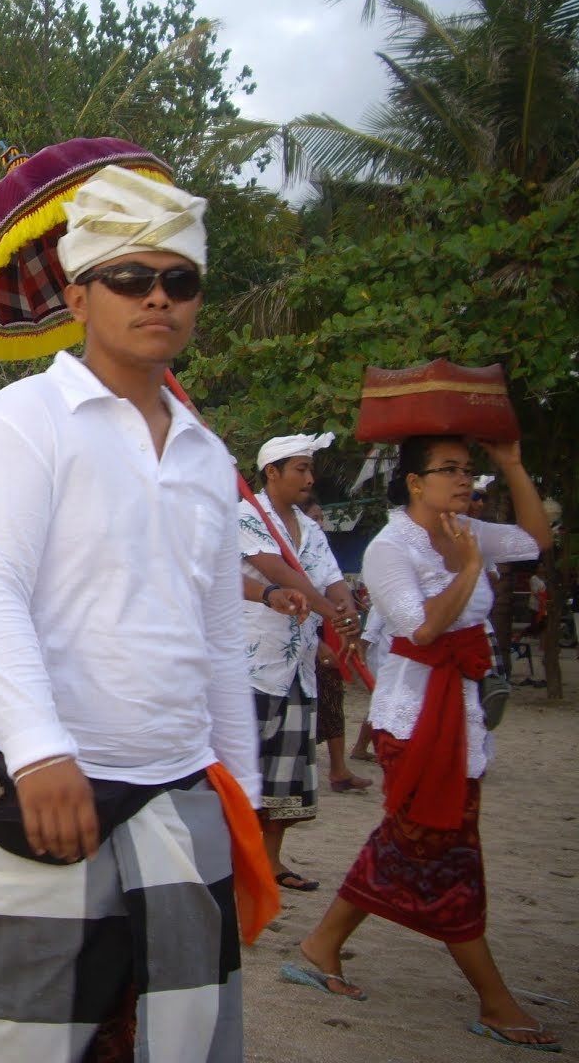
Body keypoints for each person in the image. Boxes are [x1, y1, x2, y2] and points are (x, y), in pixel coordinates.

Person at [0, 163, 268, 1061]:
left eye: (178, 280)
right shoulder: (21, 419)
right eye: (130, 277)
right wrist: (41, 750)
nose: (158, 297)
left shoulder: (205, 452)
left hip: (179, 778)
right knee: (15, 1040)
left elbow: (221, 637)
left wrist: (245, 794)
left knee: (184, 1039)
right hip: (35, 775)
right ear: (79, 294)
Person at [289, 435, 559, 1052]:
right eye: (449, 470)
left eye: (469, 470)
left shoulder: (463, 529)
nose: (465, 481)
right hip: (414, 715)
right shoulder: (392, 547)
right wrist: (467, 570)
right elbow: (424, 626)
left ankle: (320, 945)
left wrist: (514, 463)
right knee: (444, 851)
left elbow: (535, 541)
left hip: (457, 710)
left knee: (409, 838)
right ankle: (495, 1000)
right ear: (414, 480)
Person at [239, 434, 360, 891]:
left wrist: (346, 611)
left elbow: (331, 579)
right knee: (245, 771)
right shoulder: (246, 517)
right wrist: (333, 614)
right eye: (300, 470)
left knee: (285, 774)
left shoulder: (310, 530)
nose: (310, 479)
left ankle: (270, 863)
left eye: (311, 470)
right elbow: (280, 573)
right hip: (250, 666)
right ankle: (238, 864)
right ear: (272, 472)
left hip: (297, 668)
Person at [302, 500, 373, 795]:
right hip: (302, 635)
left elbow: (336, 586)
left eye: (321, 517)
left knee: (332, 698)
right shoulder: (290, 550)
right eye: (314, 516)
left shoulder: (320, 550)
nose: (319, 522)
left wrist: (347, 619)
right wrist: (317, 643)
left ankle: (338, 769)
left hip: (322, 631)